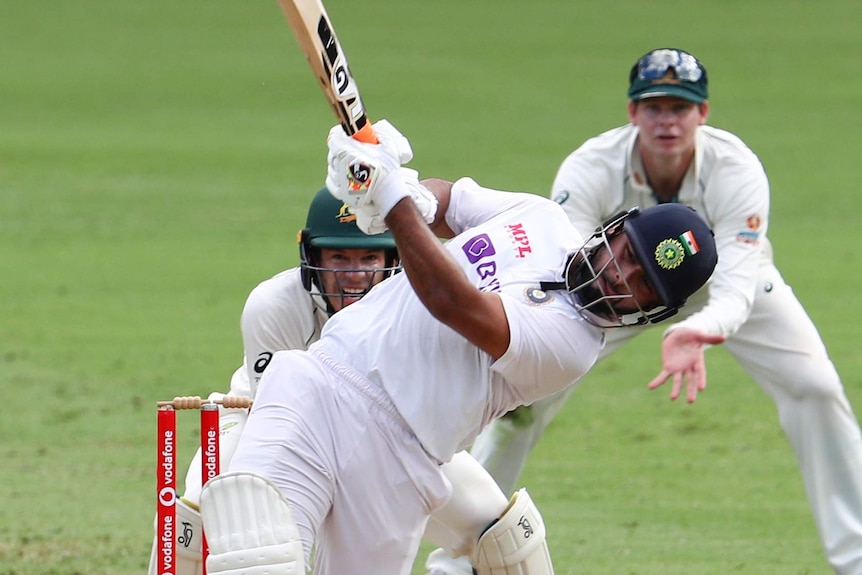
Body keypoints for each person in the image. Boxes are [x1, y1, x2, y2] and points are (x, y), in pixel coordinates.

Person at [197, 119, 720, 575]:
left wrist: (392, 199)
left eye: (643, 284)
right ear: (615, 229)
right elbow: (448, 203)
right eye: (627, 255)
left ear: (654, 310)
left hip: (399, 460)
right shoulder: (542, 218)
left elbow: (453, 302)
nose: (618, 276)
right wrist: (397, 190)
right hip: (320, 381)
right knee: (256, 554)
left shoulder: (573, 347)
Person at [429, 47, 862, 575]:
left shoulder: (738, 169)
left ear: (702, 114)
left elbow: (737, 287)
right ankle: (465, 561)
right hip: (611, 290)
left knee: (816, 386)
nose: (666, 121)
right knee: (520, 406)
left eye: (679, 108)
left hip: (727, 285)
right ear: (633, 112)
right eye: (654, 106)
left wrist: (699, 328)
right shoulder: (591, 166)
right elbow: (562, 261)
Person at [147, 186, 402, 575]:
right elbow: (282, 424)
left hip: (381, 436)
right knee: (198, 507)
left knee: (496, 524)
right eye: (338, 256)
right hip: (256, 413)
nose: (355, 273)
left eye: (369, 256)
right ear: (312, 256)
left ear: (392, 257)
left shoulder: (413, 309)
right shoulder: (274, 304)